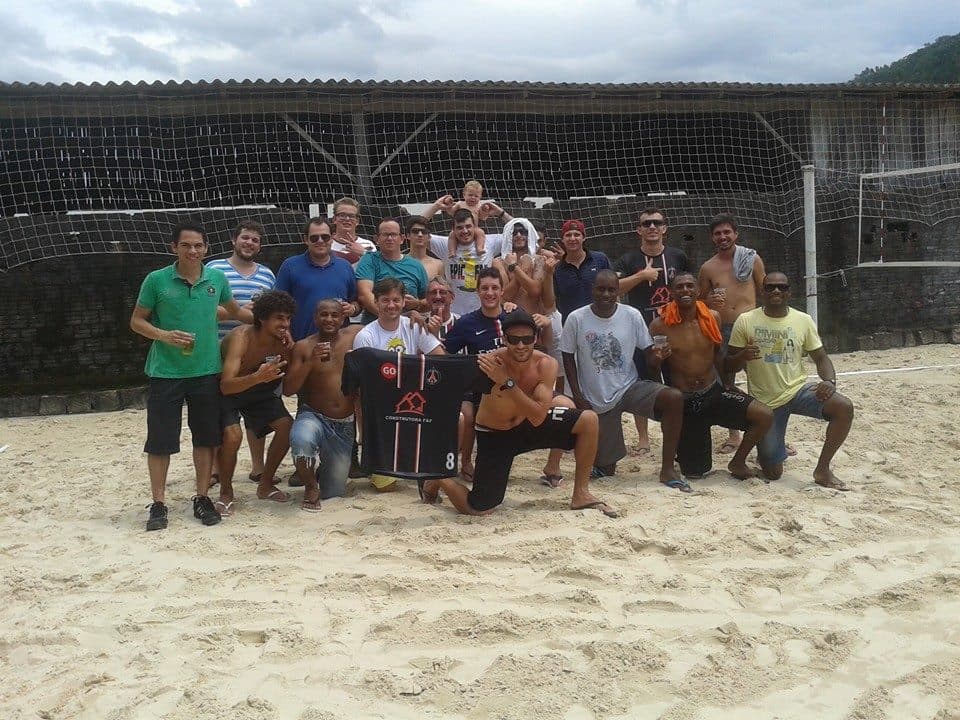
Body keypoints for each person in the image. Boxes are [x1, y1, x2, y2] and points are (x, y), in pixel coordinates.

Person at [421, 310, 617, 518]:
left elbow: (538, 417)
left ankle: (581, 494)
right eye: (514, 340)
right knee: (479, 508)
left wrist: (507, 382)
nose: (521, 346)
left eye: (527, 339)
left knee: (588, 420)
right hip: (494, 434)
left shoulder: (546, 364)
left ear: (536, 339)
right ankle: (439, 478)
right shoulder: (490, 363)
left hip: (528, 425)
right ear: (505, 339)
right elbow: (445, 378)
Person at [129, 221, 254, 531]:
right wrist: (164, 335)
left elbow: (235, 311)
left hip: (206, 371)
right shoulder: (156, 280)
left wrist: (272, 321)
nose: (193, 250)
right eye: (186, 245)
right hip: (165, 373)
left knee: (206, 439)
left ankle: (201, 497)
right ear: (174, 248)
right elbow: (136, 321)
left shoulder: (216, 278)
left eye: (198, 245)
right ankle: (158, 503)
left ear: (206, 249)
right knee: (160, 442)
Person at [725, 272, 854, 491]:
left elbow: (821, 357)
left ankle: (823, 469)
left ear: (789, 292)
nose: (776, 291)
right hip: (766, 402)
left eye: (782, 287)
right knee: (773, 473)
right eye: (771, 287)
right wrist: (741, 358)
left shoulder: (802, 320)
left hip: (797, 390)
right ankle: (770, 451)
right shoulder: (746, 320)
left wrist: (830, 380)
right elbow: (728, 364)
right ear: (762, 291)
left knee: (844, 407)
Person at [561, 270, 685, 490]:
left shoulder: (632, 315)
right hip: (597, 398)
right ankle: (604, 460)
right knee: (607, 470)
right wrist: (578, 396)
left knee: (673, 398)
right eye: (601, 289)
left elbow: (648, 353)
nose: (606, 294)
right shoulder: (576, 318)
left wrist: (658, 357)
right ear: (593, 290)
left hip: (629, 387)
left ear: (619, 292)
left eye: (611, 290)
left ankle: (668, 468)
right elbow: (568, 358)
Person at [649, 273, 773, 486]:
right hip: (684, 402)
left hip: (712, 392)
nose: (685, 290)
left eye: (690, 286)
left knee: (764, 415)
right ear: (671, 292)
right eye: (680, 287)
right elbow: (652, 369)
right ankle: (684, 447)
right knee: (696, 472)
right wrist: (656, 359)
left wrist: (728, 384)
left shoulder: (712, 316)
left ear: (698, 291)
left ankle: (738, 462)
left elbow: (717, 354)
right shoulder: (660, 325)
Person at [443, 267, 554, 484]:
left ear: (503, 291)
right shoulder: (467, 322)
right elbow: (445, 352)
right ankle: (466, 462)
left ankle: (552, 466)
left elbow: (542, 346)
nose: (490, 293)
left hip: (515, 385)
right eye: (484, 288)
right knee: (468, 413)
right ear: (478, 292)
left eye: (495, 288)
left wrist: (547, 324)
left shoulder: (513, 318)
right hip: (480, 386)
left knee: (560, 404)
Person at [353, 277, 445, 492]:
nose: (391, 305)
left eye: (396, 300)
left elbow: (441, 358)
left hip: (414, 404)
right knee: (386, 487)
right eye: (385, 300)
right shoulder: (365, 336)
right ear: (376, 302)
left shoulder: (414, 325)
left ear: (405, 301)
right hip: (382, 412)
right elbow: (361, 390)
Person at [616, 208, 692, 458]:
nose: (651, 227)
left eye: (656, 223)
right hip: (639, 332)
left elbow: (690, 286)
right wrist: (641, 276)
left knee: (677, 380)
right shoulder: (628, 260)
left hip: (672, 328)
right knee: (642, 382)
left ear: (664, 228)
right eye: (646, 223)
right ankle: (643, 439)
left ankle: (680, 433)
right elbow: (613, 288)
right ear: (638, 230)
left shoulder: (678, 256)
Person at [207, 218, 277, 485]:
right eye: (245, 238)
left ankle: (258, 467)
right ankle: (215, 470)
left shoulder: (267, 275)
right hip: (217, 353)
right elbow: (205, 311)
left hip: (253, 355)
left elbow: (271, 316)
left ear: (259, 246)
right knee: (218, 415)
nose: (249, 243)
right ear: (233, 240)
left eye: (255, 240)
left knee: (255, 415)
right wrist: (241, 311)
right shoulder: (214, 269)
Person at [216, 290, 297, 515]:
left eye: (288, 318)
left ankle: (266, 484)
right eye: (280, 318)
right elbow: (225, 385)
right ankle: (226, 492)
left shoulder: (284, 343)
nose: (286, 323)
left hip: (258, 392)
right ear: (262, 318)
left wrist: (292, 354)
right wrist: (257, 377)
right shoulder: (240, 338)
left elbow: (288, 381)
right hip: (227, 392)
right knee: (232, 436)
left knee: (287, 427)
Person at [283, 299, 363, 511]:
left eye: (334, 315)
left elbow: (387, 322)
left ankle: (321, 473)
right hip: (314, 415)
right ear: (315, 318)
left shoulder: (354, 335)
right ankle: (310, 485)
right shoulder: (303, 346)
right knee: (301, 440)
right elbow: (288, 389)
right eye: (324, 314)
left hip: (344, 424)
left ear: (342, 318)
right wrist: (310, 361)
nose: (329, 319)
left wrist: (417, 317)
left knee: (333, 492)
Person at [697, 212, 766, 455]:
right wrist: (709, 300)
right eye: (717, 233)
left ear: (736, 234)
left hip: (750, 326)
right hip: (723, 329)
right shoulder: (708, 267)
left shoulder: (751, 258)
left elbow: (765, 289)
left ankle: (769, 431)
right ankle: (734, 434)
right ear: (712, 238)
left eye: (727, 232)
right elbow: (698, 300)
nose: (723, 237)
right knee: (726, 381)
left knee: (760, 379)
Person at [275, 217, 360, 340]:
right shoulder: (290, 266)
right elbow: (279, 307)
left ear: (332, 238)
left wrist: (352, 308)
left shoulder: (345, 266)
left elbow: (357, 302)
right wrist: (285, 332)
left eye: (325, 237)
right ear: (305, 240)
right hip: (300, 343)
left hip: (338, 346)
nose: (320, 241)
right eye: (314, 238)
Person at [421, 204, 506, 316]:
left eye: (468, 226)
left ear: (475, 227)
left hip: (483, 314)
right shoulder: (445, 245)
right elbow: (417, 228)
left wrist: (500, 212)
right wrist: (436, 206)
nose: (465, 231)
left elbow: (521, 230)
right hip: (455, 315)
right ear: (453, 230)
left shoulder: (490, 242)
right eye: (460, 227)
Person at [355, 218, 430, 323]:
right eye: (385, 234)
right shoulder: (369, 260)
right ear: (376, 239)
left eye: (394, 234)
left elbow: (428, 301)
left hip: (408, 329)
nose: (390, 238)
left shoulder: (416, 266)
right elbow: (364, 295)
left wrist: (417, 304)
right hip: (374, 327)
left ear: (402, 238)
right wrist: (394, 320)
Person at [552, 219, 612, 322]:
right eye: (568, 235)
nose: (572, 238)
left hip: (602, 320)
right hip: (572, 324)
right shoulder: (556, 269)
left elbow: (613, 289)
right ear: (562, 239)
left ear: (584, 238)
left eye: (577, 234)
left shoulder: (600, 259)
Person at [440, 180, 512, 257]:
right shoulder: (460, 204)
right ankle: (452, 252)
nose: (473, 198)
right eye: (470, 195)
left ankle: (479, 248)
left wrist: (485, 210)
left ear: (480, 197)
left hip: (475, 228)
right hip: (459, 229)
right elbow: (451, 212)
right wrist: (449, 204)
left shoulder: (479, 206)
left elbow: (483, 217)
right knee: (452, 235)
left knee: (481, 233)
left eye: (476, 196)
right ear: (464, 195)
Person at [329, 197, 376, 265]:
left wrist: (363, 253)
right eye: (342, 215)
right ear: (334, 219)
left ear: (357, 221)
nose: (347, 219)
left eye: (351, 216)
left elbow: (377, 269)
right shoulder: (326, 244)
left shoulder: (368, 245)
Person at [404, 216, 445, 282]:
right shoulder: (399, 261)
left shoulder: (438, 264)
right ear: (408, 235)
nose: (420, 234)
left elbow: (441, 289)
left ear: (429, 237)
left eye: (424, 231)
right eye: (415, 231)